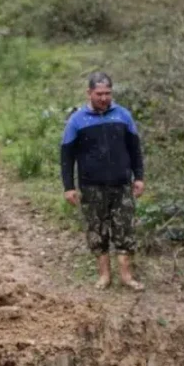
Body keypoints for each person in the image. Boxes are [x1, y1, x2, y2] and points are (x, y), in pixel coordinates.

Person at [60, 71, 146, 291]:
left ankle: (126, 276)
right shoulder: (77, 120)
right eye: (99, 94)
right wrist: (69, 187)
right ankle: (104, 276)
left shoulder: (123, 116)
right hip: (91, 186)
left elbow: (135, 149)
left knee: (125, 229)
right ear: (89, 93)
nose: (104, 98)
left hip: (121, 184)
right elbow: (67, 156)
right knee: (97, 231)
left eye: (108, 93)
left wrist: (139, 177)